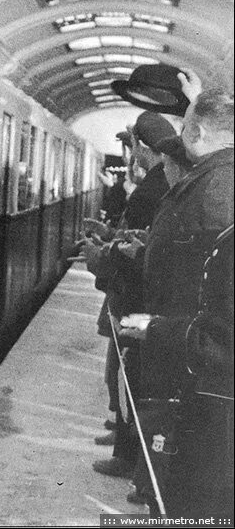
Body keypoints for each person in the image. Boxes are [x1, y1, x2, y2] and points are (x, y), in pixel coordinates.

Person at [118, 88, 234, 518]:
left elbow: (207, 289)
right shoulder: (213, 180)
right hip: (189, 363)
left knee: (184, 499)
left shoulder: (216, 187)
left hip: (191, 377)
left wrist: (157, 330)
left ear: (197, 130)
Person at [80, 110, 175, 481]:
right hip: (139, 299)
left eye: (132, 144)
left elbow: (132, 249)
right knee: (122, 377)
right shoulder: (158, 186)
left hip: (132, 299)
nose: (129, 152)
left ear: (142, 147)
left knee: (125, 377)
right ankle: (124, 442)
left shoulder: (150, 189)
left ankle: (126, 455)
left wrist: (101, 256)